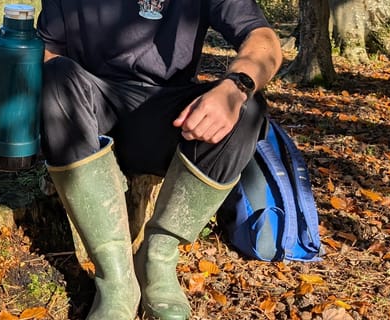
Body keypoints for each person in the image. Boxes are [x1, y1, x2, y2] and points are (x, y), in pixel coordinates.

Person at [36, 0, 282, 319]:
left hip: (173, 119)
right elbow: (47, 52)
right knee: (54, 74)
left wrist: (236, 86)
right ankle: (116, 280)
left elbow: (263, 39)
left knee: (247, 108)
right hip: (90, 118)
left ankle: (158, 258)